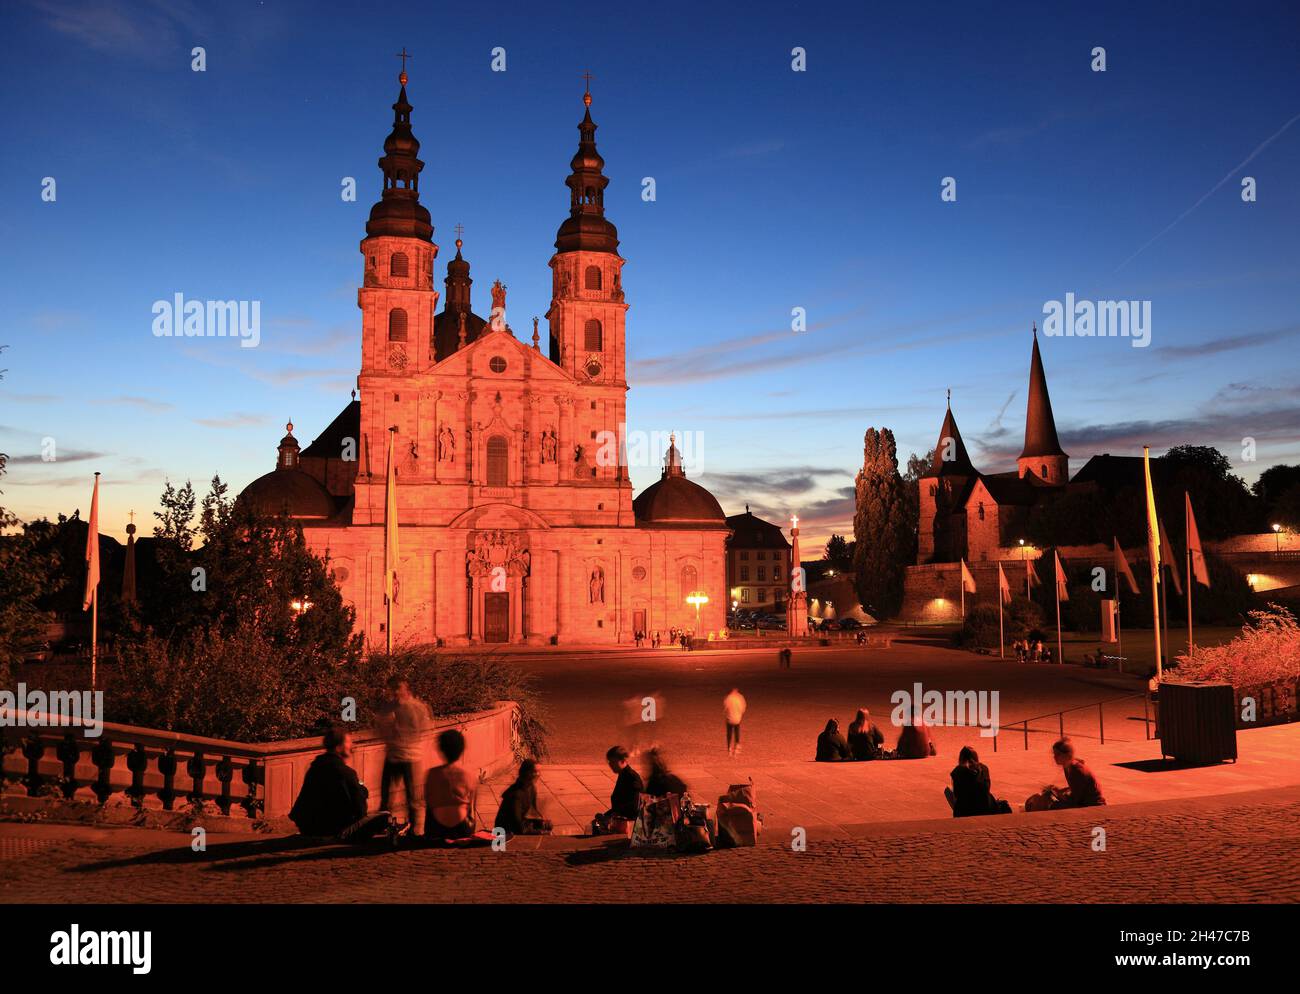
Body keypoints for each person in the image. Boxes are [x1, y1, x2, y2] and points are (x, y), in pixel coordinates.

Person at [289, 724, 395, 844]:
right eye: (349, 742)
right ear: (339, 747)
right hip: (334, 830)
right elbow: (360, 811)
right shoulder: (346, 772)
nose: (352, 746)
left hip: (309, 828)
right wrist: (362, 790)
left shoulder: (315, 767)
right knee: (385, 816)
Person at [378, 677, 431, 834]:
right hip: (393, 755)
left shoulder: (416, 707)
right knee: (386, 796)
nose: (394, 692)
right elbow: (380, 727)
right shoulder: (388, 707)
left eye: (397, 688)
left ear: (406, 689)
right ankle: (382, 825)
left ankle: (414, 829)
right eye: (392, 688)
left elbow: (423, 729)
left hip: (410, 757)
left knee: (412, 797)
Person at [424, 729, 477, 841]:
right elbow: (472, 807)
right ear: (462, 749)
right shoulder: (469, 773)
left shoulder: (432, 773)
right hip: (462, 827)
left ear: (442, 750)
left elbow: (428, 801)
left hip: (436, 828)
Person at [944, 746, 1010, 817]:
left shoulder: (957, 771)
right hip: (984, 809)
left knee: (949, 793)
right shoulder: (984, 768)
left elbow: (957, 794)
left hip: (963, 811)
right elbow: (986, 789)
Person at [592, 745, 644, 833]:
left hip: (628, 825)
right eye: (609, 762)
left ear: (623, 761)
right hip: (621, 820)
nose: (610, 765)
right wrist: (607, 815)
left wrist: (611, 817)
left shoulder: (632, 778)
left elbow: (634, 807)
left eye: (613, 762)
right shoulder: (624, 775)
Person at [494, 759, 552, 836]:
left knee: (548, 825)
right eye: (534, 771)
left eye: (539, 771)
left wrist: (541, 822)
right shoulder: (516, 795)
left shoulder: (531, 788)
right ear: (526, 773)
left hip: (519, 825)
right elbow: (518, 827)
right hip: (505, 832)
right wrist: (540, 833)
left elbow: (533, 811)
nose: (538, 774)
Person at [1049, 737, 1106, 808]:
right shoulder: (1067, 766)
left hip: (1092, 806)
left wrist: (1058, 795)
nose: (1054, 757)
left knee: (1050, 805)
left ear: (1067, 755)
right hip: (1084, 802)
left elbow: (1075, 800)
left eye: (1058, 754)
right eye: (1054, 754)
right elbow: (1077, 789)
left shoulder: (1077, 771)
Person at [723, 687, 747, 757]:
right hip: (737, 719)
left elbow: (725, 708)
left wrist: (727, 714)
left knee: (729, 733)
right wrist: (739, 714)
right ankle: (737, 744)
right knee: (737, 731)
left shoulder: (728, 698)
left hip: (730, 719)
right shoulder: (740, 697)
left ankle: (729, 747)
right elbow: (743, 708)